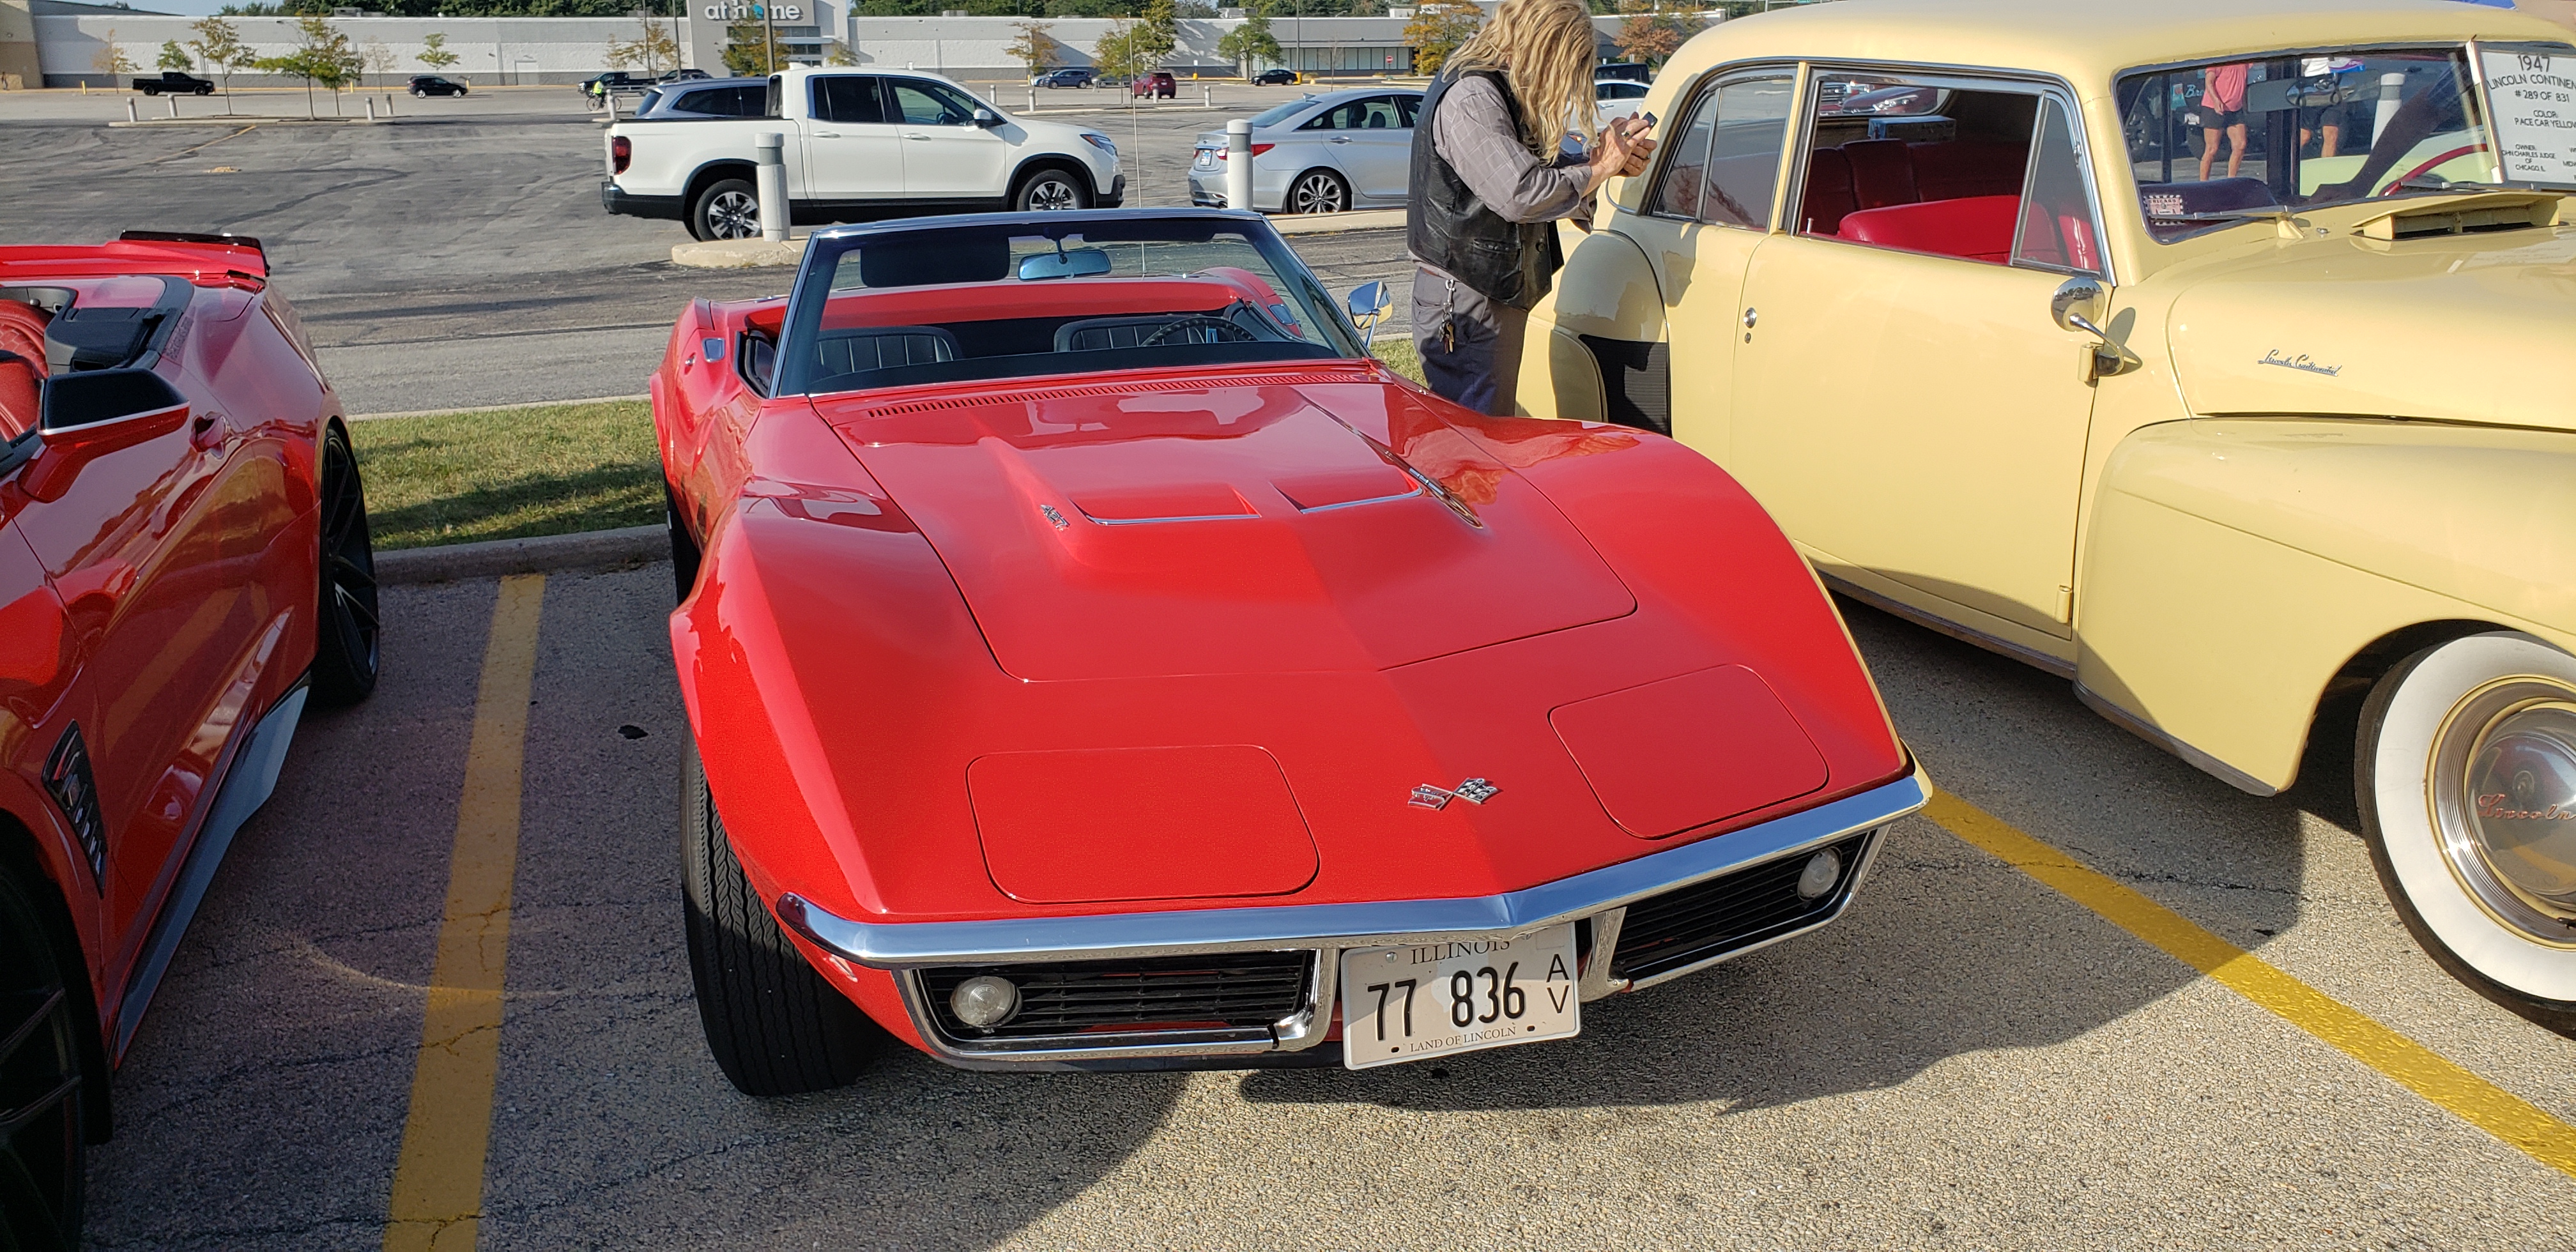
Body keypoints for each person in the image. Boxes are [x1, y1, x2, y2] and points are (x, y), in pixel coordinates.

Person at [1406, 0, 1653, 416]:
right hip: (1468, 298)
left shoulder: (1491, 85)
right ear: (1542, 48)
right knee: (1479, 439)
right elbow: (1521, 193)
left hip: (1478, 293)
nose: (1562, 84)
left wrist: (1601, 162)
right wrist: (1599, 168)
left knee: (1487, 430)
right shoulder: (1473, 95)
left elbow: (1524, 170)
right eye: (1564, 68)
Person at [2196, 62, 2251, 180]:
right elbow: (2209, 82)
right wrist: (2216, 101)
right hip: (2214, 108)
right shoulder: (2220, 61)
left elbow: (2244, 81)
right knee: (2212, 149)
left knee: (2241, 145)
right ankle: (2203, 183)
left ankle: (2231, 180)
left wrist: (2245, 103)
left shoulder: (2244, 60)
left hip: (2235, 108)